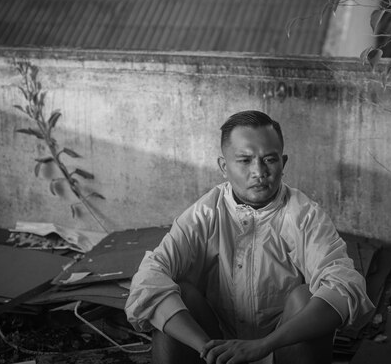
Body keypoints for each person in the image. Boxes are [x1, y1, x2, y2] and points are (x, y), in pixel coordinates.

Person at [125, 110, 374, 364]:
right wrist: (209, 350)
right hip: (214, 347)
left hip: (282, 349)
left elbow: (345, 288)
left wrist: (262, 346)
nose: (259, 171)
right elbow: (149, 279)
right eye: (244, 160)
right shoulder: (205, 214)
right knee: (179, 294)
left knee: (305, 297)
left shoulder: (305, 215)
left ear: (283, 163)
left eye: (269, 159)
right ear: (224, 167)